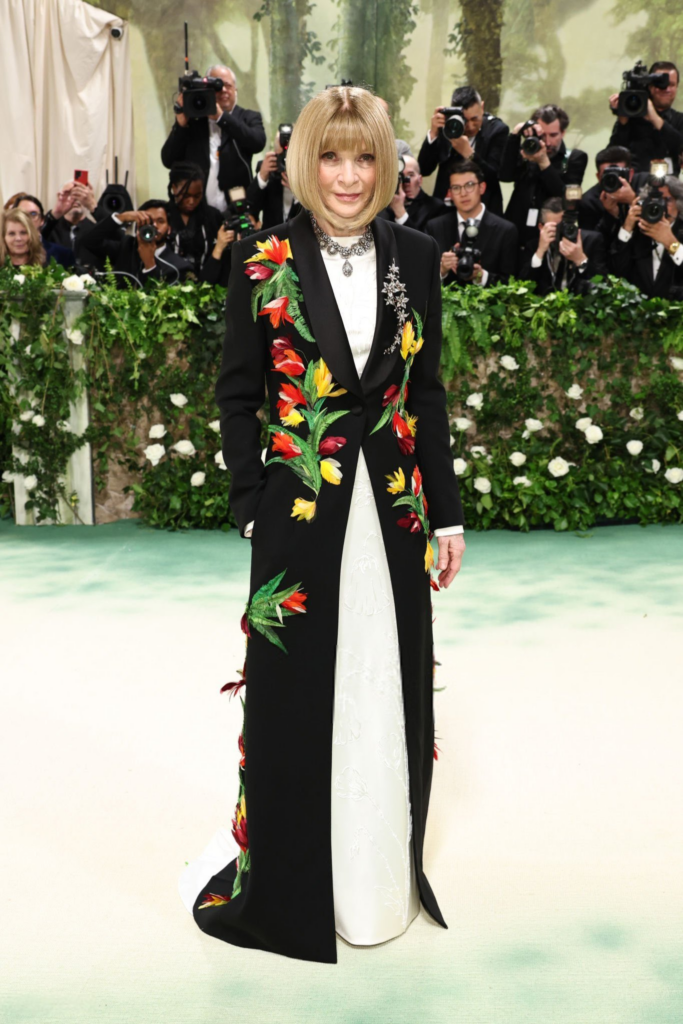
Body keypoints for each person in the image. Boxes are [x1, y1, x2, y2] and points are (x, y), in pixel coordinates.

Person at [179, 85, 466, 964]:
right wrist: (249, 506)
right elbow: (237, 392)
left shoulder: (416, 255)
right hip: (299, 513)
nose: (347, 176)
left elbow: (424, 394)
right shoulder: (260, 257)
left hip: (393, 514)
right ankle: (296, 888)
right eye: (332, 156)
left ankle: (376, 883)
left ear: (386, 165)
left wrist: (446, 517)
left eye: (364, 157)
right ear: (307, 162)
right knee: (295, 696)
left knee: (385, 682)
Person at [161, 65, 266, 211]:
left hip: (237, 208)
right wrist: (180, 125)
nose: (223, 90)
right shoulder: (194, 121)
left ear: (235, 89)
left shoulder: (248, 117)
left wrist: (221, 117)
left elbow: (258, 143)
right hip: (199, 211)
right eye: (217, 86)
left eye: (228, 85)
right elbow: (168, 160)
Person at [499, 103, 587, 251]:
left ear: (563, 133)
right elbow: (505, 176)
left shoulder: (575, 158)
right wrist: (515, 134)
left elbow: (569, 199)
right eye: (542, 135)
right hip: (516, 231)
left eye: (553, 135)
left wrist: (543, 162)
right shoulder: (527, 151)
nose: (547, 142)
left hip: (550, 235)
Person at [418, 85, 509, 214]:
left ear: (482, 107)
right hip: (445, 209)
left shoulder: (497, 130)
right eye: (465, 120)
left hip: (484, 210)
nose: (470, 126)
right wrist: (433, 134)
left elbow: (494, 177)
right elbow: (424, 169)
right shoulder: (449, 127)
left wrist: (469, 154)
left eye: (475, 119)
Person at [426, 160, 518, 286]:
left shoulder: (506, 230)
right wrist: (441, 270)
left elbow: (511, 282)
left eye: (469, 185)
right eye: (456, 188)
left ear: (482, 188)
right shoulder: (435, 227)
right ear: (450, 193)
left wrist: (482, 276)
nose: (463, 193)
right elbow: (421, 277)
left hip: (488, 298)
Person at [76, 200, 192, 286]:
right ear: (138, 226)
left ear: (169, 229)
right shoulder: (127, 246)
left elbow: (160, 303)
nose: (154, 226)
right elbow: (89, 241)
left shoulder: (179, 267)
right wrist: (121, 218)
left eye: (160, 221)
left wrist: (150, 264)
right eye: (149, 221)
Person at [608, 175, 683, 299]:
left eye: (667, 200)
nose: (661, 206)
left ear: (679, 203)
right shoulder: (637, 231)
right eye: (655, 200)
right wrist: (627, 227)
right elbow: (616, 271)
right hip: (638, 307)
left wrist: (671, 243)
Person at [519, 197, 607, 294]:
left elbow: (603, 286)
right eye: (555, 227)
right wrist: (540, 252)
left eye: (564, 226)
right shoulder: (534, 246)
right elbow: (523, 287)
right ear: (541, 227)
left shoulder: (591, 241)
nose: (560, 232)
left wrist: (581, 260)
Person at [608, 62, 683, 175]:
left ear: (677, 87)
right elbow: (612, 157)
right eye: (661, 84)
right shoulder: (631, 119)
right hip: (632, 183)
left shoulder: (679, 120)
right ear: (650, 87)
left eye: (671, 85)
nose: (666, 89)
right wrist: (623, 122)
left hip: (668, 184)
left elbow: (680, 147)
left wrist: (656, 119)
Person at [166, 162, 224, 276]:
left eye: (197, 196)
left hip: (208, 281)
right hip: (169, 283)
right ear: (174, 188)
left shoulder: (212, 216)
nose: (192, 201)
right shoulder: (163, 216)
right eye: (186, 196)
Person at [246, 130, 302, 230]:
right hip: (271, 236)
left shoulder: (309, 175)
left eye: (291, 156)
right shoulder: (269, 171)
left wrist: (299, 193)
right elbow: (250, 209)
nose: (286, 162)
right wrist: (262, 177)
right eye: (283, 157)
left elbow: (313, 217)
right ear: (275, 154)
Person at [380, 154, 445, 231]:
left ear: (420, 180)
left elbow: (425, 238)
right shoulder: (383, 207)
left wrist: (400, 211)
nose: (406, 182)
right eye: (401, 176)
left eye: (411, 175)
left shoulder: (435, 207)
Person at [10, 195, 74, 268]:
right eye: (23, 214)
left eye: (33, 214)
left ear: (42, 220)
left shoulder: (63, 254)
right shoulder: (4, 254)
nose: (28, 219)